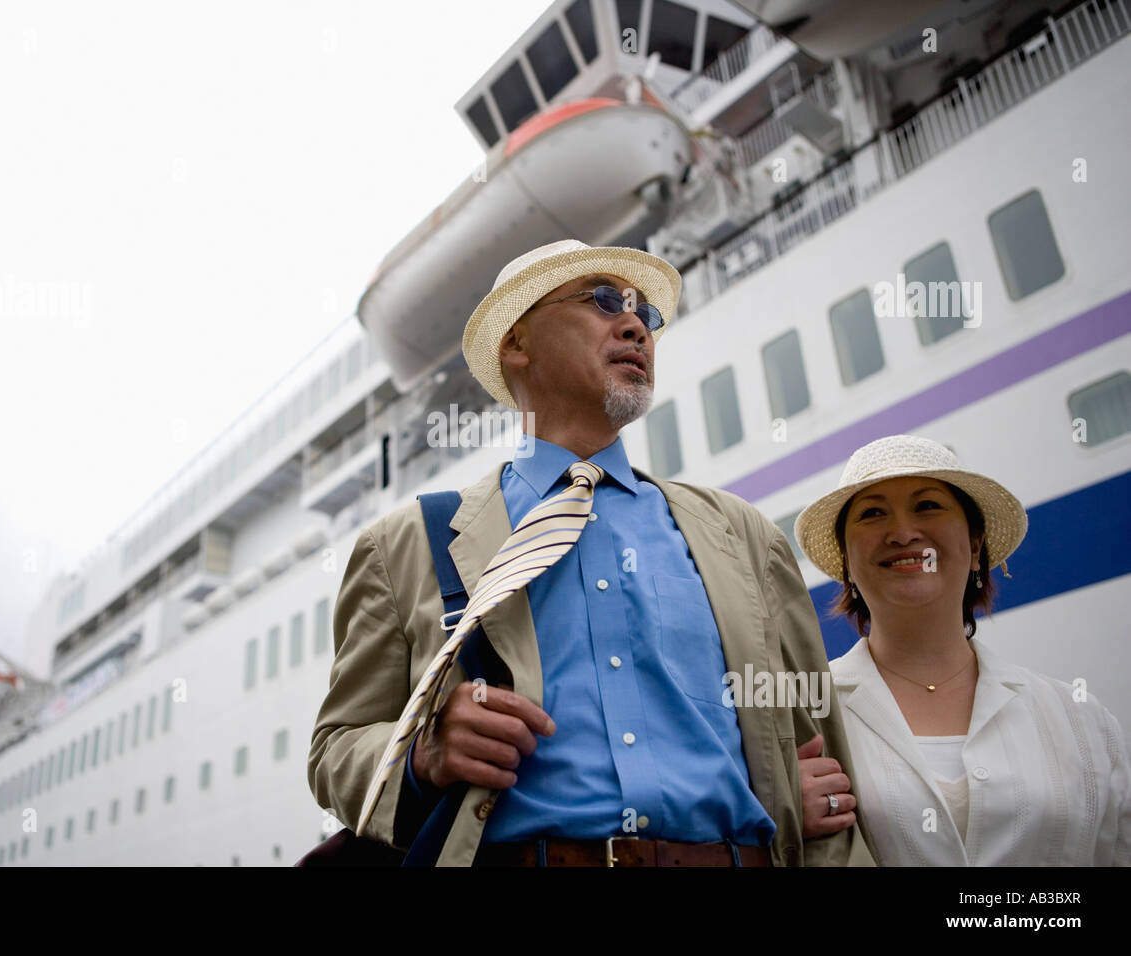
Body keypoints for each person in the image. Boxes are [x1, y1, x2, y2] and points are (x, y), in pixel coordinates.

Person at [308, 239, 871, 866]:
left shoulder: (745, 536)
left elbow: (822, 771)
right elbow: (336, 751)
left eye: (644, 314)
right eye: (604, 301)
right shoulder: (404, 546)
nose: (636, 325)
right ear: (517, 344)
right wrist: (423, 756)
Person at [793, 434, 1131, 865]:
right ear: (846, 563)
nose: (901, 533)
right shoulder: (799, 717)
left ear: (974, 547)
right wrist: (774, 821)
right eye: (873, 513)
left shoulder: (1084, 721)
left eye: (928, 505)